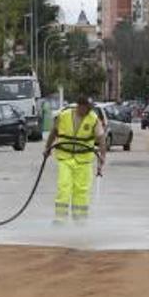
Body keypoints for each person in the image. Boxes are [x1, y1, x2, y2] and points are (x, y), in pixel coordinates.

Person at [45, 95, 107, 223]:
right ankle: (60, 219)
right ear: (79, 106)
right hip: (65, 158)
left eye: (90, 108)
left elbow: (101, 138)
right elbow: (54, 132)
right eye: (87, 108)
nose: (89, 110)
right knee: (64, 187)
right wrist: (48, 148)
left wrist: (102, 157)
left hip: (84, 161)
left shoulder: (93, 119)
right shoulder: (64, 116)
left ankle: (80, 219)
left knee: (81, 191)